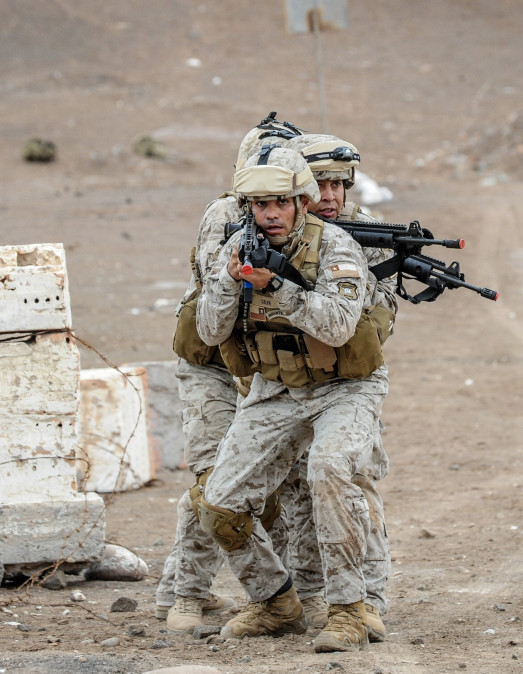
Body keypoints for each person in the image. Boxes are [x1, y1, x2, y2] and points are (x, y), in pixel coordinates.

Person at [195, 146, 389, 652]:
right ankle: (275, 601)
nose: (272, 214)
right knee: (218, 502)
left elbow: (340, 325)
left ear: (302, 203)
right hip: (276, 388)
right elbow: (211, 330)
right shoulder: (238, 246)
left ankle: (349, 609)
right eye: (260, 206)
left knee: (329, 469)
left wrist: (277, 286)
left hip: (345, 387)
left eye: (281, 202)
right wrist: (229, 280)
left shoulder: (337, 247)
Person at [155, 114, 304, 633]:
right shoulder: (226, 216)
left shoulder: (303, 221)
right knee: (212, 484)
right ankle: (187, 596)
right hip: (213, 365)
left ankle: (274, 596)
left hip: (264, 370)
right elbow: (224, 306)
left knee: (268, 489)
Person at [280, 133, 395, 642]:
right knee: (296, 494)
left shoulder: (370, 234)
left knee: (350, 482)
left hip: (349, 381)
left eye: (338, 184)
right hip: (287, 384)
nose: (329, 195)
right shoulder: (278, 229)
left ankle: (367, 601)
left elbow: (379, 317)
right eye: (319, 184)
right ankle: (309, 597)